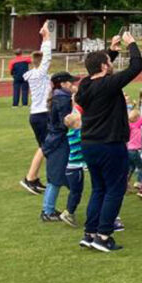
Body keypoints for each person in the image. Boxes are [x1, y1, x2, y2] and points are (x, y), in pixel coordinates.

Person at [77, 31, 142, 252]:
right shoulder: (108, 84)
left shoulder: (84, 86)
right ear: (105, 68)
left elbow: (96, 70)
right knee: (115, 189)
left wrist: (111, 52)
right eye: (108, 62)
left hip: (89, 144)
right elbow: (136, 67)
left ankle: (90, 232)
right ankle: (104, 236)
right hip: (110, 144)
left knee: (98, 189)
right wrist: (131, 44)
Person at [40, 72, 79, 221]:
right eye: (70, 82)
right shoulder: (63, 100)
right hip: (59, 141)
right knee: (56, 177)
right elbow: (67, 122)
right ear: (63, 84)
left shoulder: (58, 97)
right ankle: (48, 211)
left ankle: (49, 209)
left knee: (56, 177)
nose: (73, 84)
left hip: (55, 140)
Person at [20, 25, 53, 195]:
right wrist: (46, 37)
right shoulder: (40, 74)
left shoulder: (37, 74)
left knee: (44, 146)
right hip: (41, 115)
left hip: (38, 114)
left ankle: (34, 178)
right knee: (45, 147)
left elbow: (42, 58)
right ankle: (29, 178)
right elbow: (46, 57)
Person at [58, 112, 88, 226]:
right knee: (76, 193)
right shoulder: (77, 133)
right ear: (75, 124)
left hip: (72, 169)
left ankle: (69, 212)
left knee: (75, 192)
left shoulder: (71, 133)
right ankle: (69, 213)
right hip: (76, 169)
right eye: (80, 120)